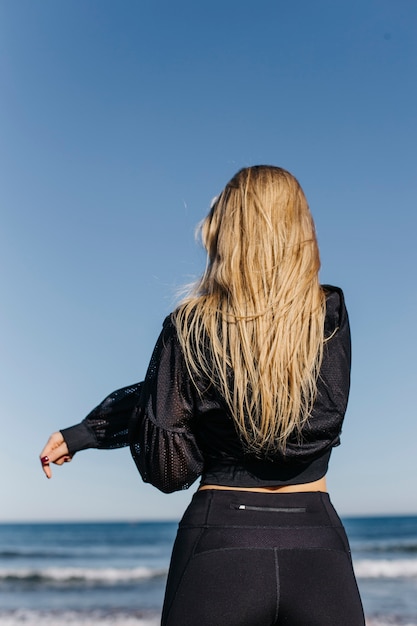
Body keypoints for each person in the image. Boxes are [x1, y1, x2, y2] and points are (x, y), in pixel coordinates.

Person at [40, 165, 365, 626]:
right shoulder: (328, 315)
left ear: (225, 234)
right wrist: (85, 433)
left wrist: (89, 431)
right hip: (319, 550)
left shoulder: (190, 327)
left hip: (219, 543)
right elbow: (304, 415)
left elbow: (170, 465)